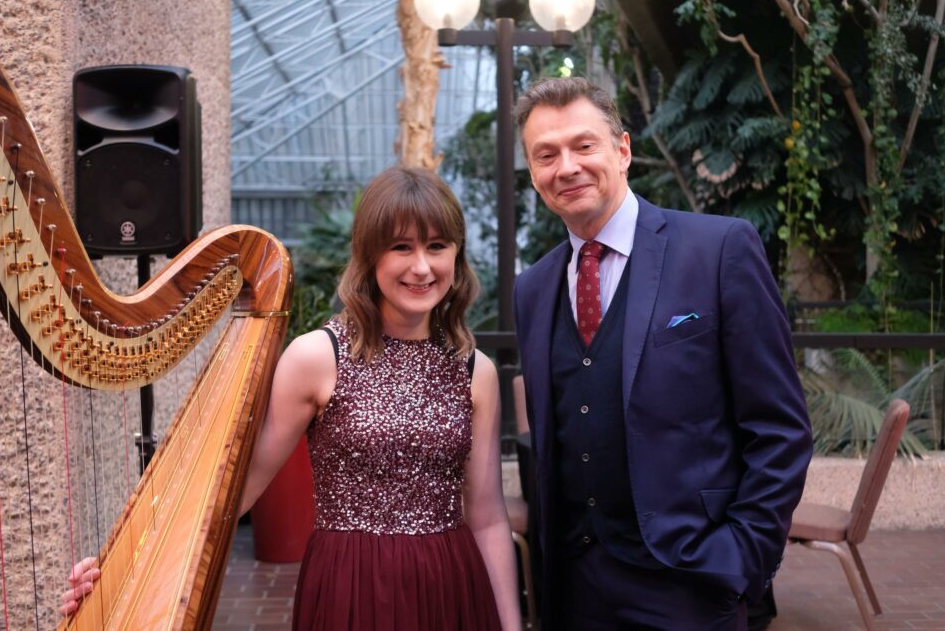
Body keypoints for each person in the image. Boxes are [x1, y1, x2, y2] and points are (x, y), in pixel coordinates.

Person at [62, 167, 522, 631]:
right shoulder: (317, 357)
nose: (422, 266)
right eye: (401, 246)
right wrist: (121, 565)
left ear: (456, 256)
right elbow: (235, 491)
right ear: (370, 256)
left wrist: (510, 625)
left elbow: (486, 517)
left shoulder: (474, 370)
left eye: (437, 246)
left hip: (451, 586)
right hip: (351, 589)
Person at [511, 76, 813, 630]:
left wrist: (740, 558)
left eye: (584, 145)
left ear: (622, 150)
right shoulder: (532, 289)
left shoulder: (719, 248)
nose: (567, 167)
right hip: (574, 589)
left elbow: (780, 429)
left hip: (688, 583)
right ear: (533, 174)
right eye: (545, 155)